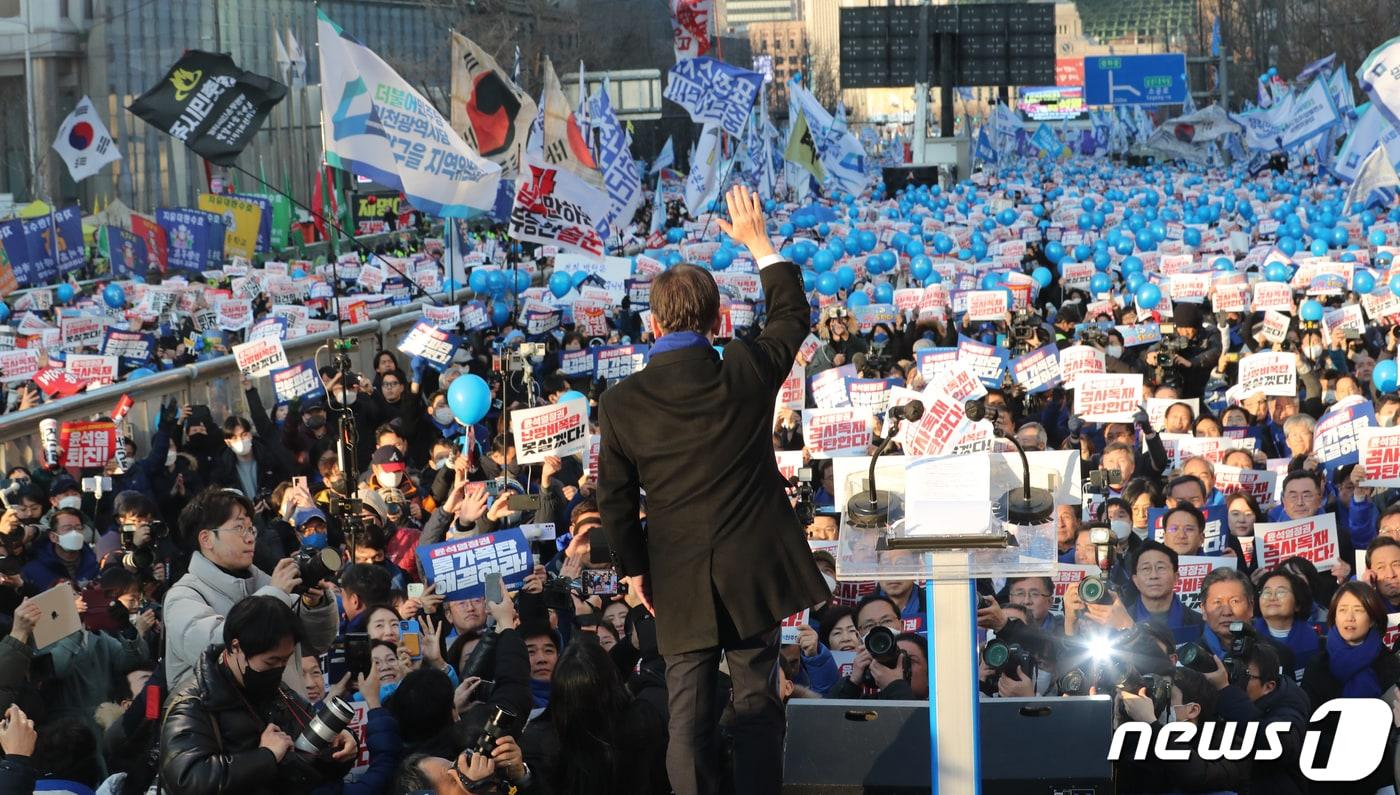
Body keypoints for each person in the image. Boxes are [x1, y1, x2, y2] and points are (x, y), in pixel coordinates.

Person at [597, 186, 828, 795]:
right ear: (717, 320)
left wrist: (634, 571)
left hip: (675, 575)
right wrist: (758, 243)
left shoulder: (621, 403)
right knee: (755, 706)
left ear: (652, 323)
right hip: (751, 570)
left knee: (688, 718)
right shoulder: (745, 369)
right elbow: (790, 316)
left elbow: (615, 503)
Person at [158, 595, 358, 794]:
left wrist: (340, 746)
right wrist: (265, 756)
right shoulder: (191, 703)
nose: (278, 669)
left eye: (284, 661)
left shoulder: (279, 691)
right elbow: (187, 780)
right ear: (236, 647)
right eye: (270, 662)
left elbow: (305, 761)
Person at [163, 488, 339, 697]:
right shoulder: (183, 596)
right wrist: (273, 597)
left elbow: (317, 643)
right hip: (221, 726)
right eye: (239, 528)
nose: (250, 538)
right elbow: (215, 651)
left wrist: (314, 605)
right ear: (206, 539)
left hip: (285, 718)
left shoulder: (266, 584)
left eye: (251, 529)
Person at [1127, 540, 1205, 644]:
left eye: (1161, 568)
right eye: (1146, 568)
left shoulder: (1199, 623)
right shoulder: (1124, 620)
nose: (1154, 575)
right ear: (1135, 580)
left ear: (1176, 577)